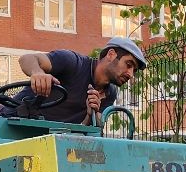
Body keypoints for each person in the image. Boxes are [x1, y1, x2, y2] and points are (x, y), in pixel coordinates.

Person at [13, 37, 145, 124]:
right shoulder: (73, 63)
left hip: (52, 140)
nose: (130, 74)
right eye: (129, 65)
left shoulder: (110, 93)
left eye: (134, 70)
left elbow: (92, 127)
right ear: (111, 54)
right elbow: (27, 59)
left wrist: (90, 114)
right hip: (14, 122)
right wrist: (37, 73)